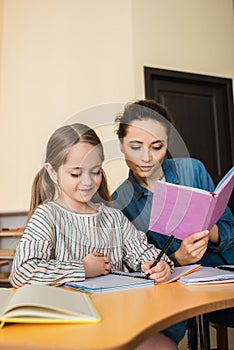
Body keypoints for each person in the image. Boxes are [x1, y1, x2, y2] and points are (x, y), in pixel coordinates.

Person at [10, 122, 177, 350]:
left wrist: (160, 265)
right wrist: (83, 268)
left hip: (118, 321)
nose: (88, 181)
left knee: (164, 347)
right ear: (52, 172)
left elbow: (145, 253)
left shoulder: (113, 218)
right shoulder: (47, 215)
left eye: (95, 171)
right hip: (66, 328)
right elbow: (21, 272)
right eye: (76, 173)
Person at [112, 98, 234, 344]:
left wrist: (209, 232)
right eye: (135, 146)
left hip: (223, 280)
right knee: (152, 338)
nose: (146, 157)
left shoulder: (193, 170)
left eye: (157, 146)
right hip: (170, 295)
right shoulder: (120, 202)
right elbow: (139, 270)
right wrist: (178, 259)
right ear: (121, 145)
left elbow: (230, 229)